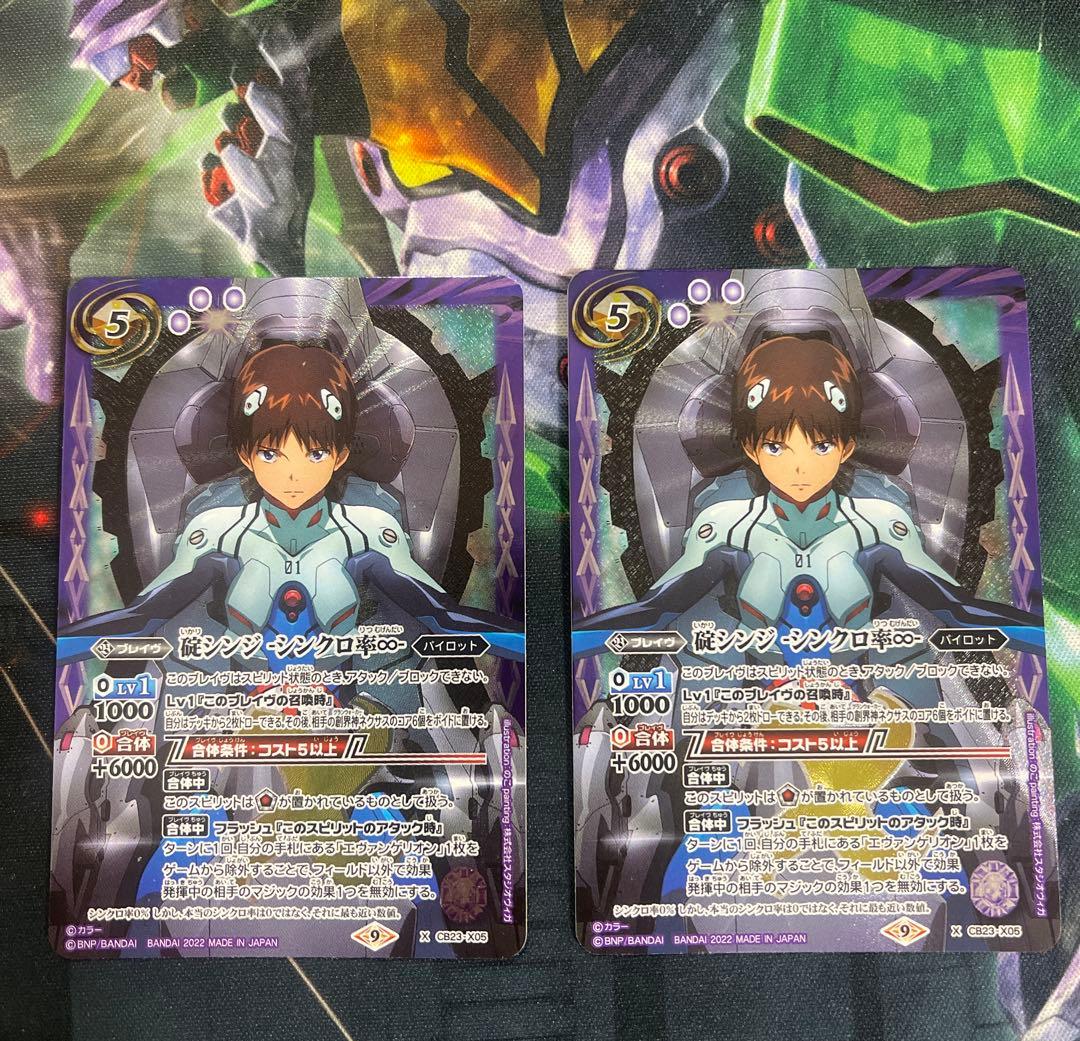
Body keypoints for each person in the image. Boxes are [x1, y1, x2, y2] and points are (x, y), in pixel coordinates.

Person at [574, 335, 1041, 669]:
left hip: (862, 711)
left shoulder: (877, 525)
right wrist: (567, 643)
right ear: (751, 447)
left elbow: (957, 611)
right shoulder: (730, 526)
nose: (800, 467)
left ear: (847, 447)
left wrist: (1042, 638)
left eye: (820, 445)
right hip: (748, 716)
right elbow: (654, 612)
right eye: (777, 447)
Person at [58, 343, 522, 666]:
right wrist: (62, 649)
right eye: (271, 454)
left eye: (315, 453)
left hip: (350, 717)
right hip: (235, 722)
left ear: (340, 454)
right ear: (245, 454)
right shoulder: (219, 530)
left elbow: (440, 616)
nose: (293, 474)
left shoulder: (366, 528)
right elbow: (145, 617)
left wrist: (527, 645)